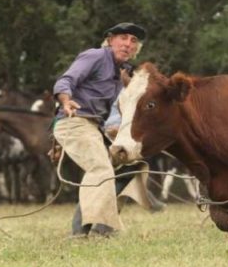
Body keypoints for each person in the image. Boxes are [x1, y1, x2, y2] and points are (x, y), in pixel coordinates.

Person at [53, 22, 158, 236]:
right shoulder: (95, 56)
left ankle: (88, 228)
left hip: (94, 128)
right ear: (110, 41)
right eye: (123, 38)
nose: (128, 44)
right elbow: (66, 80)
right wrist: (65, 100)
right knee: (101, 169)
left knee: (131, 165)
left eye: (133, 41)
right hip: (74, 121)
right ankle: (99, 231)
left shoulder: (125, 72)